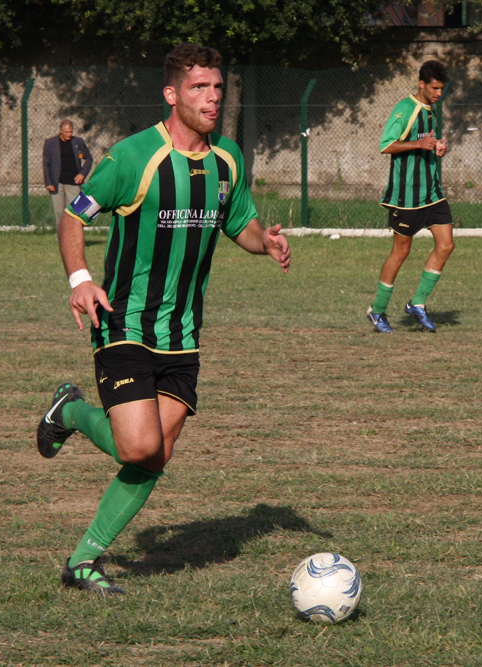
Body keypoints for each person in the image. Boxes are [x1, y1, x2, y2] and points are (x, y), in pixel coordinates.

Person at [36, 43, 291, 595]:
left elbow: (239, 222)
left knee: (155, 457)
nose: (213, 98)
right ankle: (73, 412)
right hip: (123, 321)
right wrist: (81, 280)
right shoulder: (132, 157)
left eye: (218, 87)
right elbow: (74, 219)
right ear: (172, 95)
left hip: (183, 334)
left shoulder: (228, 158)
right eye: (200, 88)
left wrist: (263, 243)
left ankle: (83, 561)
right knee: (138, 447)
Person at [367, 59, 454, 334]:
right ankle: (378, 311)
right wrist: (419, 143)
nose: (439, 93)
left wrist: (437, 147)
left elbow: (425, 142)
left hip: (432, 192)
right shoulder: (405, 108)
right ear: (422, 84)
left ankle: (417, 304)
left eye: (442, 89)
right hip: (406, 197)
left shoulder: (431, 110)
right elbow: (386, 145)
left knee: (446, 245)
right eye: (435, 88)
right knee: (401, 251)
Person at [43, 120, 93, 224]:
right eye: (66, 132)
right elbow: (46, 163)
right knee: (59, 213)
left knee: (76, 213)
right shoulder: (50, 143)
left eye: (71, 132)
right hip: (57, 183)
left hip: (74, 183)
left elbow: (89, 159)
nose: (69, 135)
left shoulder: (78, 142)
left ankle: (74, 239)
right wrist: (48, 182)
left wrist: (82, 174)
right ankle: (62, 239)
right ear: (60, 131)